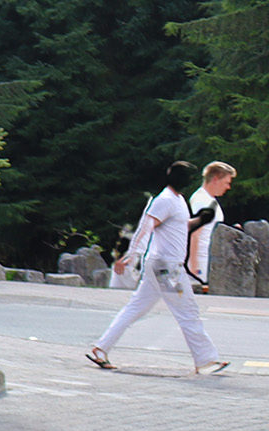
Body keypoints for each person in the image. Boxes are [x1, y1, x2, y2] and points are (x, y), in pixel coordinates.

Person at [88, 160, 228, 375]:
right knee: (188, 311)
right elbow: (147, 225)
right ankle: (206, 360)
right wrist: (132, 253)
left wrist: (199, 220)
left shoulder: (177, 200)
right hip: (167, 267)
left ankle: (101, 348)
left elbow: (178, 227)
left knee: (135, 308)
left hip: (161, 265)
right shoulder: (165, 200)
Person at [187, 161, 237, 294]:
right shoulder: (201, 201)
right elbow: (194, 234)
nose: (228, 187)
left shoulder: (209, 200)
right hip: (200, 263)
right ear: (215, 179)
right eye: (226, 182)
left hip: (206, 261)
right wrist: (193, 268)